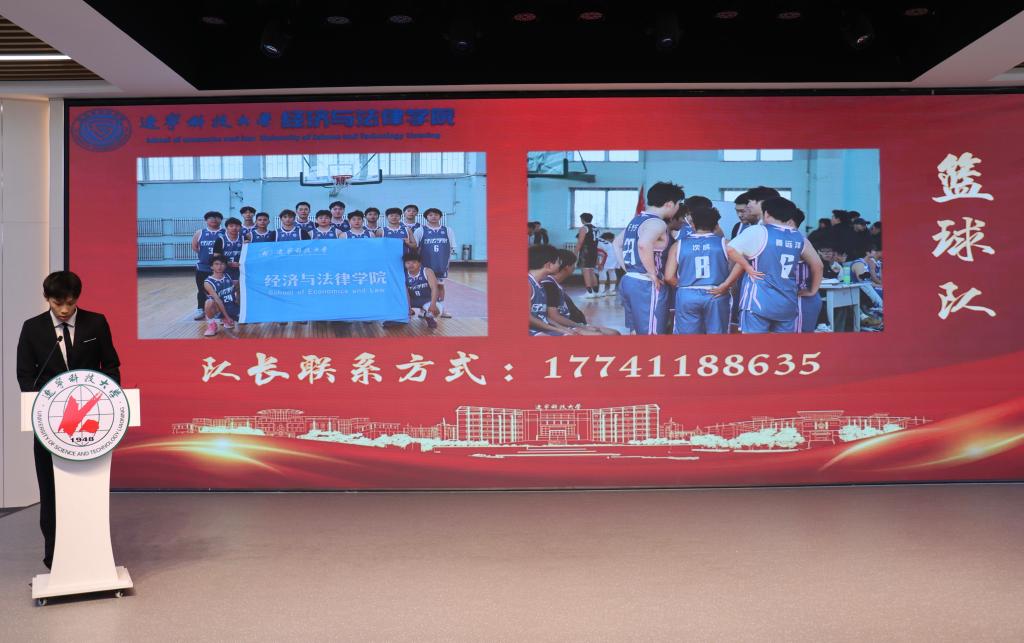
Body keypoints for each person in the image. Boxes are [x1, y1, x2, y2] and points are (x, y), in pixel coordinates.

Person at [16, 271, 121, 570]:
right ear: (46, 298)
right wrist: (43, 407)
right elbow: (25, 374)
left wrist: (110, 402)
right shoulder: (32, 328)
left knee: (88, 490)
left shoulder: (95, 323)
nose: (64, 310)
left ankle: (93, 553)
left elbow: (111, 366)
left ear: (77, 298)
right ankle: (55, 557)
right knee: (50, 491)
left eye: (70, 303)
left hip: (91, 425)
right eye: (57, 303)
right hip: (50, 427)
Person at [726, 196, 823, 333]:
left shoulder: (758, 231)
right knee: (782, 345)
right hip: (787, 302)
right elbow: (819, 265)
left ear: (766, 214)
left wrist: (747, 267)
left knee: (754, 345)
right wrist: (813, 290)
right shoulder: (799, 237)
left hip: (758, 301)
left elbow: (730, 249)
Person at [613, 181, 685, 335]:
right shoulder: (657, 223)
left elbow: (616, 243)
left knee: (636, 331)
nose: (678, 208)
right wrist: (652, 273)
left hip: (629, 280)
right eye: (678, 204)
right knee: (652, 334)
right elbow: (643, 244)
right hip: (646, 284)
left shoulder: (637, 220)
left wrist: (628, 269)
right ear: (670, 204)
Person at [664, 205, 732, 334]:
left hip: (687, 294)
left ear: (693, 225)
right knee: (718, 338)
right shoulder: (726, 244)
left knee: (687, 340)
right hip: (716, 293)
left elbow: (668, 277)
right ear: (716, 225)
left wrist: (686, 286)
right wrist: (726, 284)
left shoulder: (678, 245)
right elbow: (740, 265)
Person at [543, 249, 619, 335]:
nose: (574, 267)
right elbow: (553, 316)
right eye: (574, 264)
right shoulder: (549, 285)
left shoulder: (554, 284)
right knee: (603, 335)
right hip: (566, 326)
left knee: (614, 333)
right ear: (567, 267)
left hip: (573, 324)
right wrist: (580, 326)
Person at [414, 208, 456, 317]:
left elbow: (452, 247)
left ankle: (442, 309)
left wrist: (446, 262)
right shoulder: (420, 230)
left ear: (440, 217)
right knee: (425, 287)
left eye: (436, 215)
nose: (433, 217)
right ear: (426, 217)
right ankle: (423, 310)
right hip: (425, 266)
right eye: (431, 215)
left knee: (440, 286)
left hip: (441, 265)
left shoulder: (447, 230)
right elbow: (415, 248)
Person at [528, 244, 578, 336]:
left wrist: (562, 328)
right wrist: (556, 329)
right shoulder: (528, 284)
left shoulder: (540, 284)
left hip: (542, 329)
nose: (560, 265)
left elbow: (543, 317)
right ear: (549, 265)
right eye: (558, 262)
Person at [190, 210, 223, 320]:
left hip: (219, 268)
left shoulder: (224, 232)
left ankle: (219, 310)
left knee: (220, 290)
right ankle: (201, 309)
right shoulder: (200, 233)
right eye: (210, 217)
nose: (214, 219)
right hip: (203, 267)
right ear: (206, 220)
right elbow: (195, 247)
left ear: (221, 220)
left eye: (217, 217)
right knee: (201, 289)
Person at [202, 255, 240, 337]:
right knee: (209, 302)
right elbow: (218, 300)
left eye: (222, 264)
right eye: (216, 264)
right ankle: (212, 324)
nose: (219, 266)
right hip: (219, 309)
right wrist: (227, 316)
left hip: (232, 307)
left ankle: (227, 319)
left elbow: (237, 287)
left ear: (225, 266)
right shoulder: (208, 282)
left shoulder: (228, 276)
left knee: (249, 320)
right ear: (211, 266)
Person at [404, 250, 440, 330]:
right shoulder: (404, 275)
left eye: (414, 262)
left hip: (427, 300)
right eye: (408, 263)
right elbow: (406, 293)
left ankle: (428, 316)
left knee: (436, 311)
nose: (411, 265)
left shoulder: (427, 271)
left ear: (419, 263)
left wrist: (433, 305)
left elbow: (434, 288)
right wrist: (408, 308)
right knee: (400, 309)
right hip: (413, 300)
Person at [575, 212, 600, 298]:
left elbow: (580, 242)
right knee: (591, 271)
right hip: (594, 251)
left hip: (586, 251)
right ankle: (596, 292)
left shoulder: (584, 228)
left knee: (585, 271)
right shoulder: (596, 228)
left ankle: (589, 292)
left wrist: (575, 253)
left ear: (582, 219)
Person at [213, 217, 244, 281]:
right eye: (231, 226)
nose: (234, 228)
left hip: (241, 270)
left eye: (237, 226)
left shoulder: (244, 239)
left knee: (239, 286)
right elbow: (216, 257)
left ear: (240, 227)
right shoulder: (220, 240)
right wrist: (228, 263)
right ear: (226, 228)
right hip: (225, 270)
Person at [596, 232, 620, 296]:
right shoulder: (609, 244)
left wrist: (600, 264)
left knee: (602, 271)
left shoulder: (598, 241)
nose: (612, 240)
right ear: (608, 238)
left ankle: (601, 291)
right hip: (615, 256)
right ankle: (612, 290)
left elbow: (598, 254)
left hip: (606, 256)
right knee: (612, 271)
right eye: (612, 239)